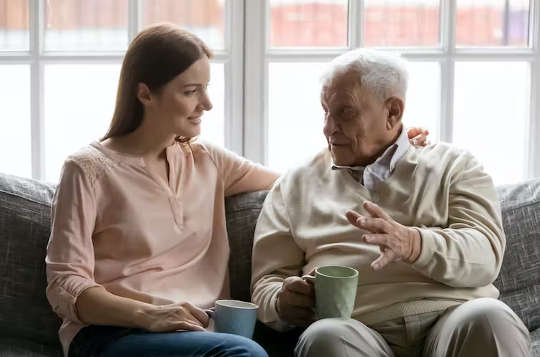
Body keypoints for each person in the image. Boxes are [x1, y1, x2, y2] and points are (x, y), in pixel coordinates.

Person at [45, 24, 428, 356]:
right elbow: (66, 285)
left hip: (201, 333)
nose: (207, 104)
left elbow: (300, 181)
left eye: (206, 89)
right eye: (191, 91)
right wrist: (150, 314)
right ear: (145, 94)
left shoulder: (207, 160)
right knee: (239, 353)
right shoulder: (87, 170)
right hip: (115, 336)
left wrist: (388, 141)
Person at [251, 48, 531, 357]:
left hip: (453, 320)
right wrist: (282, 301)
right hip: (355, 330)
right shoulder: (295, 184)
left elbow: (486, 254)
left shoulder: (456, 166)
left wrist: (413, 244)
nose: (328, 127)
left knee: (490, 318)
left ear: (392, 112)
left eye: (344, 112)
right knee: (325, 336)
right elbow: (266, 283)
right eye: (325, 111)